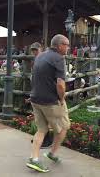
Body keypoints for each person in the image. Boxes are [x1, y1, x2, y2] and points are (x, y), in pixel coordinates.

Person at [26, 34, 71, 173]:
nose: (68, 48)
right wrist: (62, 99)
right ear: (59, 45)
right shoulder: (59, 58)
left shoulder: (40, 55)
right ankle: (52, 153)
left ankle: (34, 159)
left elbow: (35, 77)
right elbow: (60, 85)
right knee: (64, 126)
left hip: (35, 99)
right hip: (51, 101)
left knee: (41, 129)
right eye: (66, 45)